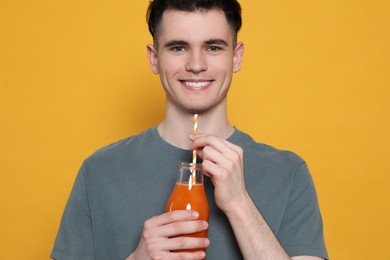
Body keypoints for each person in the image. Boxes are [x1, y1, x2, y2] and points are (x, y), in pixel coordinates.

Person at [51, 0, 328, 259]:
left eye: (214, 48)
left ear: (237, 57)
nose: (196, 65)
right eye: (178, 48)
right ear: (154, 58)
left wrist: (239, 203)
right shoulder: (99, 171)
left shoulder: (289, 173)